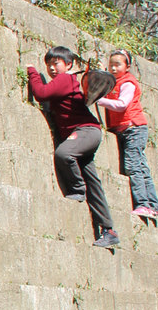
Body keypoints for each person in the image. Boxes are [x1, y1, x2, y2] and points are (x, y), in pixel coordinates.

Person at [26, 46, 120, 251]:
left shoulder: (66, 79)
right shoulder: (67, 82)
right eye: (48, 65)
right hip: (87, 134)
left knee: (63, 153)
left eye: (56, 63)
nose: (51, 68)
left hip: (85, 131)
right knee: (93, 181)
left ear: (68, 65)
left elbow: (41, 93)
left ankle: (77, 189)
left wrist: (33, 72)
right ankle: (109, 230)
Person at [95, 49, 158, 221]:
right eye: (111, 65)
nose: (114, 68)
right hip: (125, 129)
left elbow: (122, 105)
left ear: (127, 66)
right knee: (142, 167)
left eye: (118, 64)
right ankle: (153, 206)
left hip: (133, 128)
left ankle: (143, 204)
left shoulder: (127, 83)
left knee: (133, 166)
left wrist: (99, 100)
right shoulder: (114, 81)